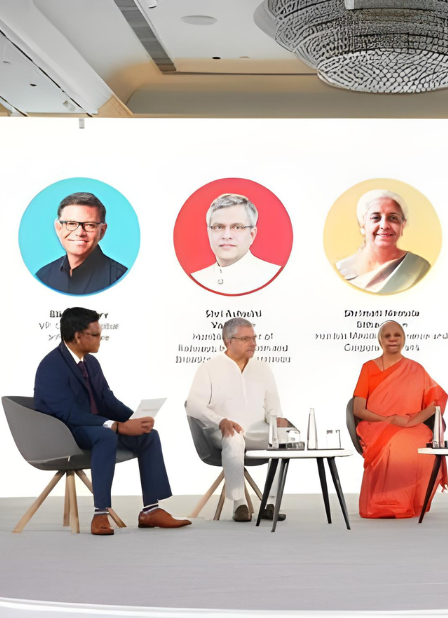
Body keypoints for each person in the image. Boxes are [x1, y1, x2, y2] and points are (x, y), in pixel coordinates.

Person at [33, 307, 189, 535]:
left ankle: (151, 510)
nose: (100, 339)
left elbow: (106, 399)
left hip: (95, 427)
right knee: (106, 435)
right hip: (66, 432)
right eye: (95, 335)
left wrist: (134, 420)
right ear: (78, 336)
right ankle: (100, 513)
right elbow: (67, 413)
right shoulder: (51, 366)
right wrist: (115, 426)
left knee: (148, 435)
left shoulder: (91, 363)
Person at [186, 317, 290, 522]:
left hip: (258, 431)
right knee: (234, 437)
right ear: (228, 341)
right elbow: (193, 405)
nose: (253, 343)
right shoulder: (208, 368)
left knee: (283, 437)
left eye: (254, 338)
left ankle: (270, 502)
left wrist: (277, 420)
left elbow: (273, 407)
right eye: (245, 339)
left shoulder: (263, 368)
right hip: (222, 432)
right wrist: (220, 421)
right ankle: (239, 503)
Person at [352, 321, 448, 518]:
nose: (392, 339)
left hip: (409, 425)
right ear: (380, 340)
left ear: (404, 339)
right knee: (396, 442)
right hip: (376, 425)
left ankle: (411, 501)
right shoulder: (368, 368)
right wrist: (389, 420)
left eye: (397, 335)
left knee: (421, 441)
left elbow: (435, 403)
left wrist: (411, 421)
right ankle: (383, 503)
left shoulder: (416, 368)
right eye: (387, 336)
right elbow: (358, 409)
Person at [337, 190, 431, 294]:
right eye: (376, 218)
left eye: (393, 218)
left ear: (402, 225)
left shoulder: (419, 267)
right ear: (363, 225)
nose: (384, 226)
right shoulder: (342, 270)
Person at [35, 192, 129, 295]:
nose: (79, 233)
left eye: (89, 225)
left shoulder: (121, 279)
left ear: (102, 231)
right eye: (71, 224)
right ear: (59, 228)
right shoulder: (43, 276)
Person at [190, 193, 282, 295]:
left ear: (251, 235)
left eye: (237, 227)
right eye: (219, 227)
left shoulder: (275, 277)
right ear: (209, 233)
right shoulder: (196, 280)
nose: (226, 235)